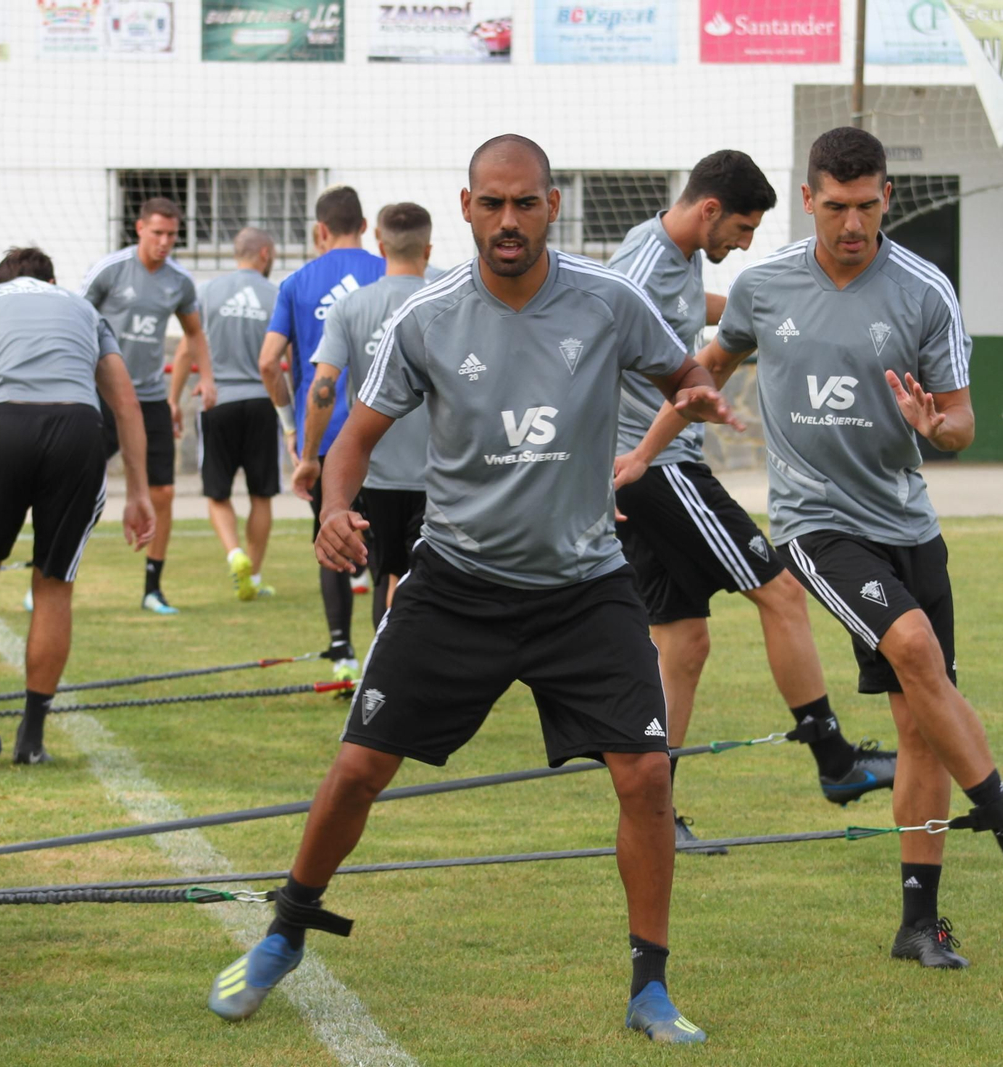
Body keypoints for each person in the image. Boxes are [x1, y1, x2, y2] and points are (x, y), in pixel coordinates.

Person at [208, 135, 741, 1044]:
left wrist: (693, 393)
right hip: (456, 581)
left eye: (524, 204)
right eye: (491, 204)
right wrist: (335, 506)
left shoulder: (609, 300)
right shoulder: (425, 316)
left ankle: (650, 986)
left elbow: (682, 367)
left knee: (648, 775)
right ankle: (286, 929)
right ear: (465, 208)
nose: (507, 221)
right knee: (359, 765)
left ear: (552, 206)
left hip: (584, 585)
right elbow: (354, 436)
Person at [631, 127, 1003, 971]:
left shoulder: (925, 293)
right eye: (836, 208)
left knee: (919, 724)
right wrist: (641, 457)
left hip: (908, 523)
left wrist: (942, 428)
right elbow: (699, 374)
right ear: (809, 200)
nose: (852, 224)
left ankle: (919, 923)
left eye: (867, 207)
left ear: (888, 198)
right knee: (912, 647)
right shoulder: (765, 285)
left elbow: (963, 420)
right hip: (815, 523)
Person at [610, 151, 897, 858]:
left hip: (651, 469)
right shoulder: (643, 267)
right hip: (654, 470)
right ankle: (835, 760)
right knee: (783, 592)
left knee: (683, 642)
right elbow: (577, 357)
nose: (743, 244)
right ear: (710, 210)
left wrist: (770, 310)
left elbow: (694, 316)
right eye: (740, 229)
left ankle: (657, 811)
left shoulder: (676, 260)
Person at [0, 247, 154, 765]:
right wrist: (138, 493)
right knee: (53, 584)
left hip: (2, 426)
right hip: (77, 428)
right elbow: (126, 404)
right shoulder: (81, 308)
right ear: (51, 280)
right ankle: (32, 738)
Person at [259, 186, 386, 676]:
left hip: (329, 437)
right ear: (365, 225)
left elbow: (269, 362)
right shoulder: (390, 273)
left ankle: (341, 653)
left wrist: (292, 428)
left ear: (320, 231)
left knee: (331, 538)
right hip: (390, 435)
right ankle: (384, 661)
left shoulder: (297, 282)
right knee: (387, 552)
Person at [295, 202, 434, 627]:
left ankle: (384, 682)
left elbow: (323, 387)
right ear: (427, 250)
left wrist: (309, 457)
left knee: (389, 577)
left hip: (378, 476)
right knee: (426, 584)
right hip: (441, 473)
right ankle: (406, 682)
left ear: (379, 243)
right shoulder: (449, 296)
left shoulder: (350, 308)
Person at [81, 197, 208, 614]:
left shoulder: (179, 282)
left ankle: (153, 587)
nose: (165, 242)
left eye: (172, 235)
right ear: (139, 229)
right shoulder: (110, 271)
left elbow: (194, 333)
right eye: (157, 233)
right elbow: (76, 320)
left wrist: (204, 378)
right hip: (101, 396)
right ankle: (49, 571)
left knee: (164, 491)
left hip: (150, 399)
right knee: (75, 486)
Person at [170, 227, 281, 600]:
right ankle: (255, 572)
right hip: (263, 402)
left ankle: (235, 555)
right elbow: (289, 357)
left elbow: (187, 349)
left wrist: (175, 399)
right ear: (264, 254)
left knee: (217, 493)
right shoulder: (276, 295)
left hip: (217, 402)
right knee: (261, 495)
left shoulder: (207, 292)